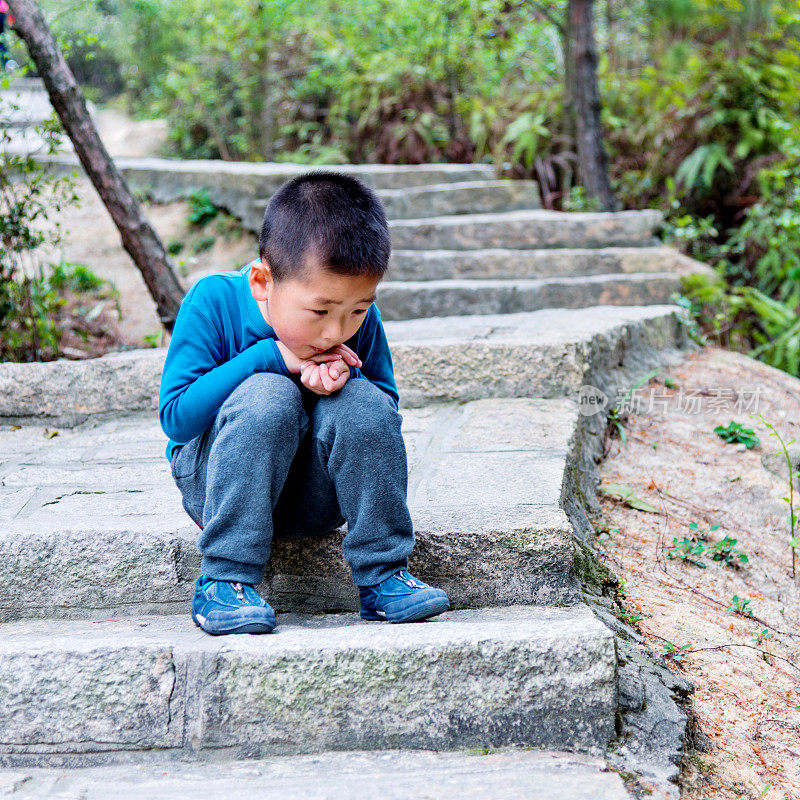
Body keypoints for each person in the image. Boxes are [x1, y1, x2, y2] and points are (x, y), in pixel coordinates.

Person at [159, 171, 450, 635]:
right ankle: (224, 579)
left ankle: (384, 577)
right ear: (262, 281)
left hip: (315, 497)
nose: (337, 331)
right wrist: (269, 358)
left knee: (362, 401)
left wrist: (339, 383)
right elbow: (176, 419)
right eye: (320, 311)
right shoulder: (213, 302)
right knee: (267, 394)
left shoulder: (359, 322)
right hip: (219, 488)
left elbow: (384, 415)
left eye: (357, 310)